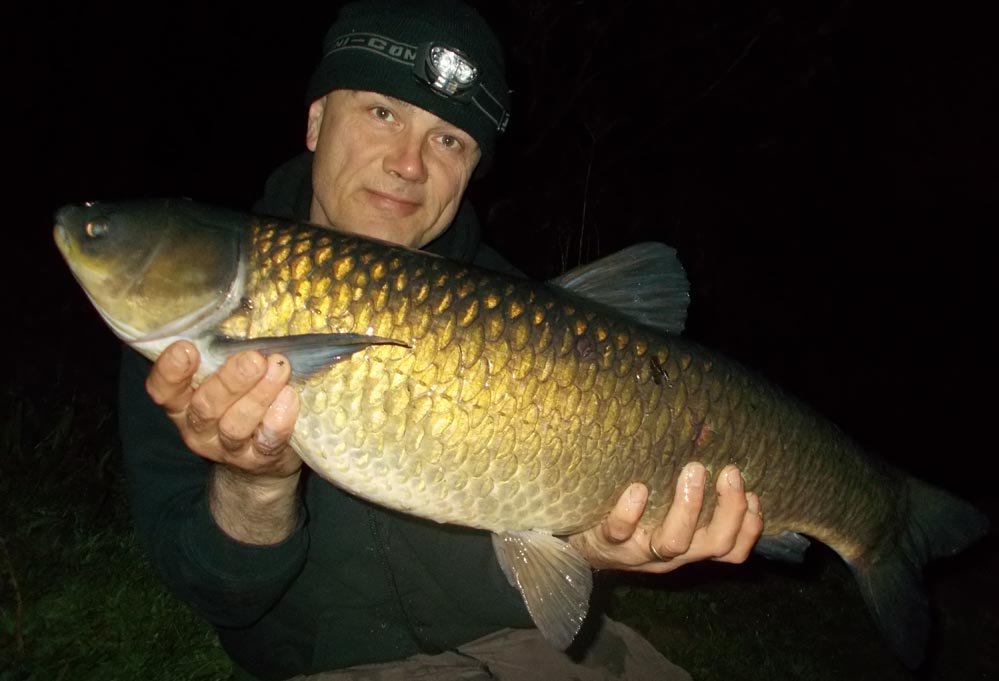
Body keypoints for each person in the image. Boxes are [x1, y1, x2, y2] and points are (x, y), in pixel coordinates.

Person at [118, 1, 764, 679]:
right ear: (315, 121)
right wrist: (254, 483)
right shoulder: (199, 315)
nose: (408, 164)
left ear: (472, 168)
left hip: (524, 647)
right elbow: (217, 594)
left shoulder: (529, 311)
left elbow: (532, 579)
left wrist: (592, 546)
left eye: (449, 139)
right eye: (382, 113)